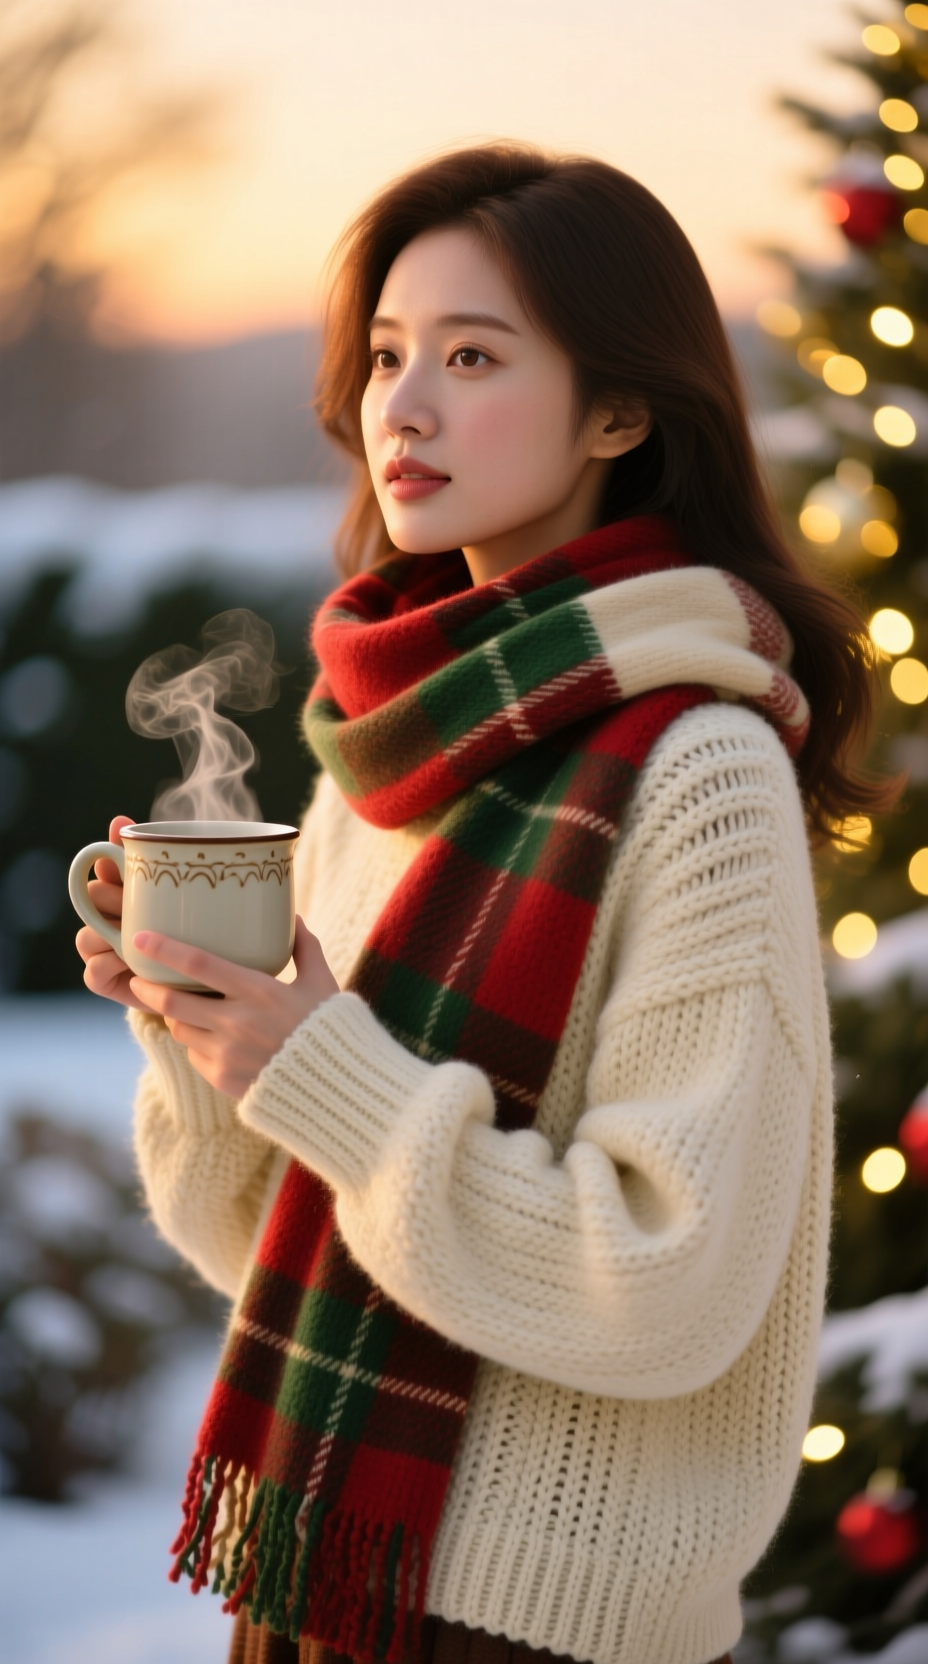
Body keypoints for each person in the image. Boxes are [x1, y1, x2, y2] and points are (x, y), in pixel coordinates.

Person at [76, 146, 893, 1664]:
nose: (405, 405)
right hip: (321, 1571)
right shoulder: (388, 750)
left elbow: (662, 1280)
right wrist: (206, 1043)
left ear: (620, 410)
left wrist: (321, 1068)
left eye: (472, 356)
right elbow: (265, 1234)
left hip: (536, 1624)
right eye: (388, 356)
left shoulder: (699, 768)